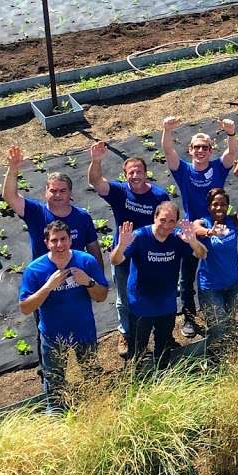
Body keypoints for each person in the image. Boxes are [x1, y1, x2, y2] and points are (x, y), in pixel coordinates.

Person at [87, 142, 169, 358]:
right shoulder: (119, 192)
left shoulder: (159, 196)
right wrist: (96, 160)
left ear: (146, 173)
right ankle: (125, 333)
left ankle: (156, 333)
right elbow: (96, 181)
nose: (135, 175)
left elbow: (168, 221)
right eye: (131, 172)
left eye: (139, 171)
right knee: (124, 298)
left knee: (152, 293)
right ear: (125, 175)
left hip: (149, 257)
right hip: (123, 254)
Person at [18, 220, 108, 413]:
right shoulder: (35, 270)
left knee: (92, 375)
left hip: (84, 332)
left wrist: (88, 282)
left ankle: (98, 412)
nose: (59, 245)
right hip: (53, 337)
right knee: (55, 383)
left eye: (63, 239)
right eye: (54, 240)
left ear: (70, 240)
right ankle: (57, 417)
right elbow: (25, 308)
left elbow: (102, 296)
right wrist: (47, 287)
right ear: (46, 243)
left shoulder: (86, 262)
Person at [161, 116, 238, 339]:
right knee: (187, 277)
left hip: (217, 229)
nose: (200, 151)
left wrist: (231, 133)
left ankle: (219, 309)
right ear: (190, 149)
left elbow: (231, 153)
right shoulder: (184, 170)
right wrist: (167, 130)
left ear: (210, 150)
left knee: (217, 271)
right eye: (196, 147)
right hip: (191, 230)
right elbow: (168, 152)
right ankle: (189, 317)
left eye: (205, 147)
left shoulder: (217, 168)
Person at [110, 203, 207, 367]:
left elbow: (202, 254)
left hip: (166, 305)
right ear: (155, 217)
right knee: (138, 349)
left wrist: (192, 241)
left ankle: (162, 375)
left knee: (163, 346)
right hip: (141, 305)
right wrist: (121, 246)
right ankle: (138, 377)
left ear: (176, 222)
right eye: (163, 220)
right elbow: (115, 260)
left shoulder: (178, 238)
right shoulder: (140, 237)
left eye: (171, 221)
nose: (166, 225)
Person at [2, 147, 102, 269]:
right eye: (53, 191)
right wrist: (13, 169)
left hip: (77, 278)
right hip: (45, 278)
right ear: (46, 192)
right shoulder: (35, 212)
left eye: (62, 190)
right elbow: (10, 196)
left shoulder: (82, 217)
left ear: (70, 192)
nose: (58, 195)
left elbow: (93, 248)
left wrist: (99, 279)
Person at [194, 185, 238, 354]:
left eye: (223, 204)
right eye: (215, 204)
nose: (219, 207)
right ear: (209, 207)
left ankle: (228, 353)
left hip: (233, 284)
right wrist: (209, 232)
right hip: (211, 288)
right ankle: (216, 359)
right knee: (217, 327)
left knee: (228, 321)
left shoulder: (230, 221)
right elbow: (194, 227)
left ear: (227, 206)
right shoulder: (204, 222)